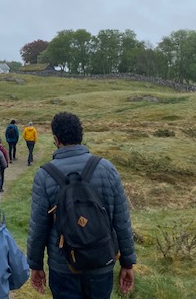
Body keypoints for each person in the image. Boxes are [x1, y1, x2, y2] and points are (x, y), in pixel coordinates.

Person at [26, 112, 136, 299]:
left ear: (56, 139)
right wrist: (127, 262)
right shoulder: (107, 169)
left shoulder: (44, 175)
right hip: (102, 262)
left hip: (63, 266)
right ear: (81, 136)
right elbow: (121, 221)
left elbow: (38, 227)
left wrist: (36, 265)